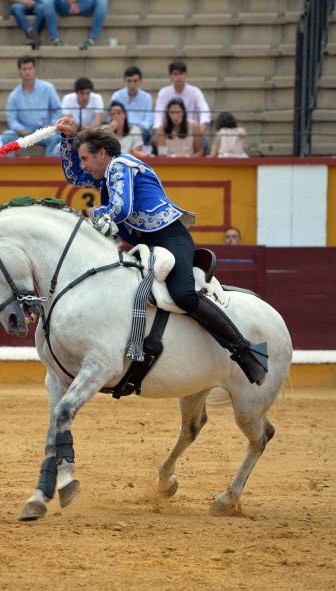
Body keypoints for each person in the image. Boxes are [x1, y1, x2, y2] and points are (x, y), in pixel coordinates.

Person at [54, 117, 266, 385]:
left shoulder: (120, 165)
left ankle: (245, 350)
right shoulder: (106, 174)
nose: (82, 164)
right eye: (81, 158)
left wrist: (93, 214)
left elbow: (121, 209)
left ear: (103, 154)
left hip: (170, 237)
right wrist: (68, 140)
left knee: (184, 296)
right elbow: (73, 176)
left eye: (85, 158)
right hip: (147, 243)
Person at [2, 55, 62, 156]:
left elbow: (58, 110)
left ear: (34, 69)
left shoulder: (48, 88)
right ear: (19, 71)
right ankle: (11, 170)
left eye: (30, 68)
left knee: (57, 138)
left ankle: (48, 169)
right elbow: (12, 119)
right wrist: (23, 131)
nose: (27, 72)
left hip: (44, 133)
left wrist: (51, 125)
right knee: (6, 136)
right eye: (24, 69)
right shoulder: (14, 95)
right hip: (22, 134)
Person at [152, 60, 212, 136]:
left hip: (190, 132)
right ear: (170, 76)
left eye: (181, 74)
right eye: (175, 74)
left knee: (204, 144)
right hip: (169, 132)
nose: (178, 77)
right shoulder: (163, 93)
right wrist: (159, 132)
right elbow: (158, 114)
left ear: (186, 75)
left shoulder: (195, 92)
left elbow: (205, 111)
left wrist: (199, 131)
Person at [109, 66, 154, 144]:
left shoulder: (147, 97)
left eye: (135, 81)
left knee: (143, 134)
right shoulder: (116, 96)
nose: (132, 84)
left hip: (140, 130)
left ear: (140, 81)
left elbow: (149, 120)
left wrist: (137, 128)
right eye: (129, 81)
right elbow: (111, 117)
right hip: (121, 128)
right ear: (125, 81)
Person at [39, 0, 107, 49]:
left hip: (85, 5)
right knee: (47, 1)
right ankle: (56, 40)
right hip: (66, 6)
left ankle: (92, 40)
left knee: (103, 1)